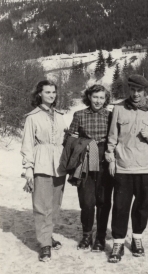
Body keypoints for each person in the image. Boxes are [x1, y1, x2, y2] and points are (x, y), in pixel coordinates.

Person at [105, 74, 148, 263]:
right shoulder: (118, 109)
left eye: (139, 91)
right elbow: (112, 137)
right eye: (132, 90)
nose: (135, 94)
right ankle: (118, 242)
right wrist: (110, 158)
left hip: (146, 168)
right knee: (120, 206)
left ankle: (137, 239)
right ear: (129, 90)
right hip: (123, 168)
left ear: (145, 92)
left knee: (142, 206)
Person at [21, 80, 67, 262]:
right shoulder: (32, 117)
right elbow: (27, 145)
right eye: (47, 92)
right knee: (42, 206)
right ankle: (44, 244)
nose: (51, 95)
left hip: (59, 165)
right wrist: (28, 168)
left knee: (55, 205)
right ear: (39, 93)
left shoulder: (60, 115)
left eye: (54, 92)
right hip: (41, 163)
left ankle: (47, 234)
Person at [67, 84, 113, 252]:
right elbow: (70, 138)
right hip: (84, 162)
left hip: (104, 162)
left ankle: (100, 237)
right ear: (89, 97)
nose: (98, 101)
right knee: (87, 202)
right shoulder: (79, 115)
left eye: (102, 97)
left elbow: (115, 139)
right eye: (95, 97)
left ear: (106, 99)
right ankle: (87, 235)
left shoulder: (110, 116)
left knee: (103, 201)